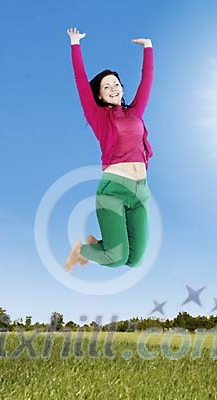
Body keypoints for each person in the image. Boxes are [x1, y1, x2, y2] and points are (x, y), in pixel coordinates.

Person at [65, 27, 154, 272]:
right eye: (106, 87)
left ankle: (102, 244)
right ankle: (81, 250)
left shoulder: (135, 113)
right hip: (113, 190)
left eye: (116, 83)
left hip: (141, 192)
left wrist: (148, 47)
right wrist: (75, 44)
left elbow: (147, 81)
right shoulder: (98, 117)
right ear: (100, 95)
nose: (113, 88)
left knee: (133, 260)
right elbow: (81, 81)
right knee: (116, 258)